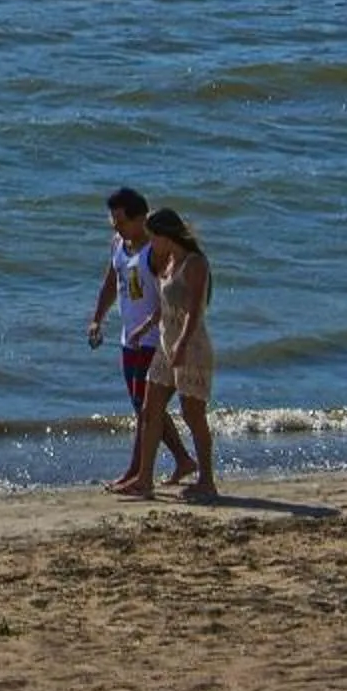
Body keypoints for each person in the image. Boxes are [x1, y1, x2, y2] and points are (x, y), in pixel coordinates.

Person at [88, 188, 194, 486]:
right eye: (114, 223)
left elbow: (170, 295)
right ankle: (178, 461)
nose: (117, 228)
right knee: (142, 407)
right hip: (129, 339)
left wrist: (151, 326)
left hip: (153, 339)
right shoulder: (118, 245)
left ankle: (141, 471)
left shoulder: (156, 251)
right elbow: (112, 281)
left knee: (146, 408)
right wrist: (97, 318)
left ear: (141, 219)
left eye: (121, 222)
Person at [113, 207, 217, 500]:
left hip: (190, 346)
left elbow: (195, 310)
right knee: (149, 410)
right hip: (164, 343)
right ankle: (144, 480)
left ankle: (207, 480)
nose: (151, 244)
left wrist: (182, 344)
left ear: (166, 236)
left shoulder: (195, 263)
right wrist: (143, 326)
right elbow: (165, 306)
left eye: (153, 237)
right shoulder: (169, 262)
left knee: (192, 414)